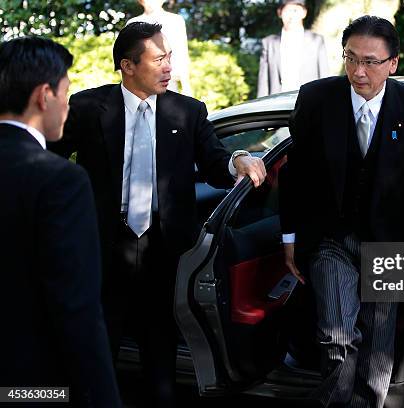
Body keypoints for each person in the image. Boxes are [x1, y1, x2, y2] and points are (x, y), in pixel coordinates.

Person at [49, 22, 266, 407]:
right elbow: (51, 162)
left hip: (163, 248)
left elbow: (216, 160)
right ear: (128, 66)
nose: (168, 67)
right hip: (103, 244)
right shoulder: (87, 107)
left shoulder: (188, 111)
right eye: (159, 58)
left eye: (170, 57)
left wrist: (240, 159)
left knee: (160, 349)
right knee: (97, 344)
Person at [280, 16, 404, 408]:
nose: (359, 72)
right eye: (351, 58)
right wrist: (289, 237)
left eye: (371, 62)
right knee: (337, 337)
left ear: (393, 63)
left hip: (390, 245)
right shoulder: (315, 99)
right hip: (330, 240)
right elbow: (295, 174)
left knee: (377, 352)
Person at [0, 37, 121, 407]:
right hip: (30, 388)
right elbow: (76, 308)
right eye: (66, 91)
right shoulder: (59, 180)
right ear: (44, 96)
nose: (69, 103)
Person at [257, 0, 329, 97]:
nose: (291, 16)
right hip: (277, 105)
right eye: (287, 11)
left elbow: (324, 79)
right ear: (280, 13)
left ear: (304, 12)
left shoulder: (317, 41)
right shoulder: (269, 43)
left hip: (310, 104)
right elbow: (263, 83)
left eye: (295, 10)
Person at [127, 0, 192, 95]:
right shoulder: (133, 23)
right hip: (140, 83)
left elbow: (181, 52)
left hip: (168, 81)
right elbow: (127, 56)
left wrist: (186, 85)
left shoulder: (175, 20)